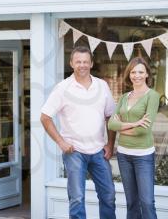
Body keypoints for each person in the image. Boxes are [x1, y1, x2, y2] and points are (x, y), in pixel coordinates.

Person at [40, 46, 117, 219]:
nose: (82, 65)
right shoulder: (63, 88)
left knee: (109, 196)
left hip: (98, 151)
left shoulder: (102, 86)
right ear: (71, 63)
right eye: (78, 62)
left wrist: (110, 144)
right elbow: (45, 117)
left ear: (91, 63)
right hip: (74, 152)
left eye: (85, 61)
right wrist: (61, 142)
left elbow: (110, 117)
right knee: (77, 199)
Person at [108, 57, 160, 219]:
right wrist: (135, 123)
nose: (136, 75)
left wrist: (123, 128)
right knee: (131, 202)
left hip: (143, 156)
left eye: (140, 72)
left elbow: (143, 131)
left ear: (146, 75)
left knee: (147, 202)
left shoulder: (152, 96)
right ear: (129, 74)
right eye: (133, 72)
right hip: (124, 155)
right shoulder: (124, 97)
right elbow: (111, 124)